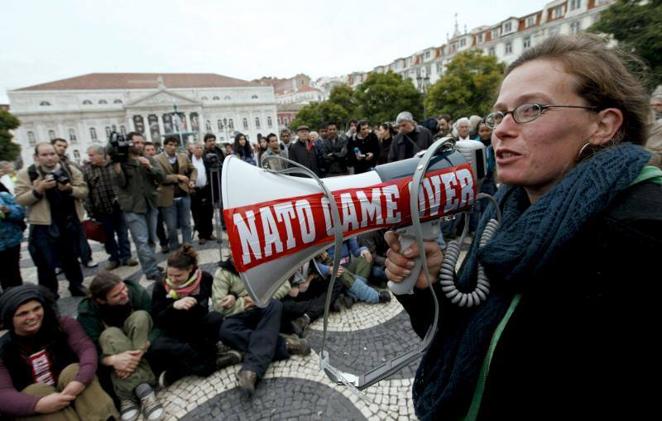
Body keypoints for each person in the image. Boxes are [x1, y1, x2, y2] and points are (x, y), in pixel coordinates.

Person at [384, 34, 662, 420]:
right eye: (500, 114)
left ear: (603, 125)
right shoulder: (506, 212)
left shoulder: (641, 232)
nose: (500, 130)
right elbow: (471, 342)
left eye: (530, 109)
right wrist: (428, 288)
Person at [0, 284, 118, 420]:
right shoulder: (4, 349)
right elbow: (3, 393)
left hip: (78, 394)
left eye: (37, 308)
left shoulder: (63, 325)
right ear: (9, 318)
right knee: (35, 391)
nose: (32, 316)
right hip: (43, 411)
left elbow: (87, 349)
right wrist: (38, 404)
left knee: (73, 371)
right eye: (23, 314)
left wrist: (79, 381)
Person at [212, 256, 311, 398]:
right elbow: (218, 306)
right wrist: (242, 302)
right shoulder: (223, 272)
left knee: (276, 305)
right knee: (225, 330)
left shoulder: (261, 263)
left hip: (263, 310)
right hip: (240, 315)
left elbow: (284, 286)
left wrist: (258, 299)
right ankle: (286, 344)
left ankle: (251, 370)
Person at [77, 272, 164, 421]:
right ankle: (144, 390)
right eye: (116, 295)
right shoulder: (88, 312)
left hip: (140, 343)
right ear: (101, 300)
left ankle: (126, 395)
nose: (124, 294)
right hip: (113, 352)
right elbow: (91, 349)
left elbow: (158, 324)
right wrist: (112, 360)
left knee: (141, 316)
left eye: (123, 288)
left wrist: (144, 346)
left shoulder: (135, 292)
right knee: (109, 334)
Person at [149, 245, 239, 387]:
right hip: (176, 334)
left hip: (199, 328)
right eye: (169, 274)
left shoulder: (204, 278)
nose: (172, 279)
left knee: (216, 318)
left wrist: (232, 296)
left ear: (190, 269)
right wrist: (173, 306)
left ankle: (180, 371)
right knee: (158, 346)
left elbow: (220, 297)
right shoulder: (161, 285)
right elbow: (157, 319)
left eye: (178, 275)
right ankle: (213, 363)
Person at [15, 143, 88, 298]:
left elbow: (84, 191)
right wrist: (38, 190)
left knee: (72, 257)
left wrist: (69, 189)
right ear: (37, 157)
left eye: (52, 154)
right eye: (44, 155)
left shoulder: (70, 169)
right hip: (44, 224)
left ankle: (76, 285)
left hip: (68, 221)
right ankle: (49, 293)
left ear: (57, 155)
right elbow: (20, 199)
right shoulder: (27, 173)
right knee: (45, 262)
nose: (49, 158)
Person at [112, 132, 165, 281]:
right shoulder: (122, 162)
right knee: (141, 240)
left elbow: (161, 177)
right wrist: (117, 168)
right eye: (136, 143)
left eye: (141, 142)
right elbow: (120, 183)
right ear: (128, 144)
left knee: (151, 240)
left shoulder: (148, 159)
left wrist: (149, 167)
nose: (139, 145)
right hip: (133, 207)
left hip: (150, 203)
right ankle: (151, 270)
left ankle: (151, 266)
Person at [83, 145, 138, 270]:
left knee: (123, 233)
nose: (89, 158)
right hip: (101, 209)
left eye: (92, 155)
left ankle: (127, 256)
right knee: (107, 236)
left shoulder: (114, 166)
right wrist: (90, 210)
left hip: (119, 207)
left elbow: (123, 183)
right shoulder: (87, 170)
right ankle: (114, 258)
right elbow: (87, 192)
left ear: (101, 155)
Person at [155, 136, 196, 250]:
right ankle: (174, 246)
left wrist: (192, 180)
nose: (173, 147)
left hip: (184, 195)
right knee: (171, 226)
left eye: (175, 145)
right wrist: (177, 177)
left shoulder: (183, 156)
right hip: (168, 197)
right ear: (164, 145)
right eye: (170, 145)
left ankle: (187, 245)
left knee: (186, 223)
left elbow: (193, 169)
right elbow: (160, 178)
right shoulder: (157, 159)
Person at [0, 187, 25, 291]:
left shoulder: (3, 196)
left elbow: (20, 212)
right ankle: (8, 300)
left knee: (14, 271)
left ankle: (19, 298)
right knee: (3, 275)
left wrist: (8, 210)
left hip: (12, 241)